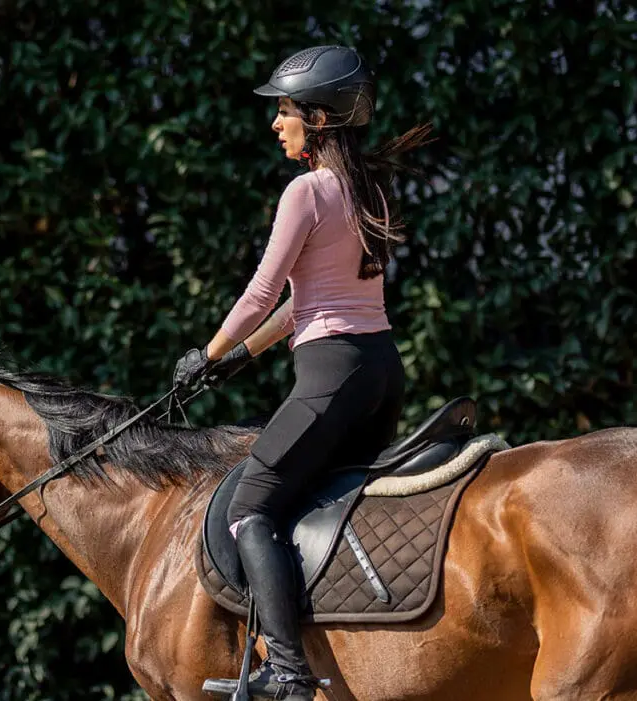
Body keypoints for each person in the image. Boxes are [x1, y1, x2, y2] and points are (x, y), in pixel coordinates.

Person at [172, 45, 432, 700]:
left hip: (331, 376)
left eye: (284, 111)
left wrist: (202, 354)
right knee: (320, 496)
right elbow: (302, 305)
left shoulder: (306, 191)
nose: (275, 123)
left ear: (319, 118)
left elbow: (263, 292)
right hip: (379, 372)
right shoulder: (365, 186)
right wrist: (238, 356)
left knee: (249, 506)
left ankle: (288, 669)